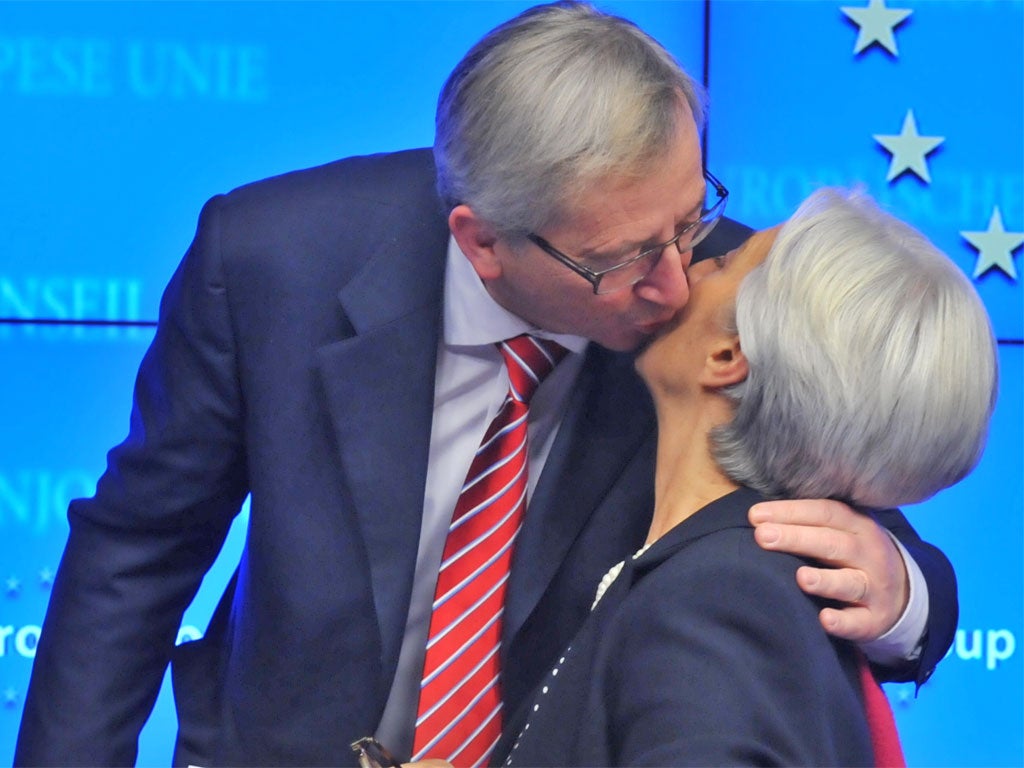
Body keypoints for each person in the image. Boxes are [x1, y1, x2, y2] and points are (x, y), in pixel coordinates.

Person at [15, 3, 958, 766]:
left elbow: (851, 494)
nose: (674, 279)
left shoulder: (717, 302)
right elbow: (136, 552)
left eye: (689, 214)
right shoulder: (271, 263)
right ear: (483, 241)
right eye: (623, 258)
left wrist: (902, 586)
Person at [496, 188, 998, 767]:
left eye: (724, 262)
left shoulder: (714, 602)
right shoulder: (732, 579)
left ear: (727, 356)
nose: (683, 273)